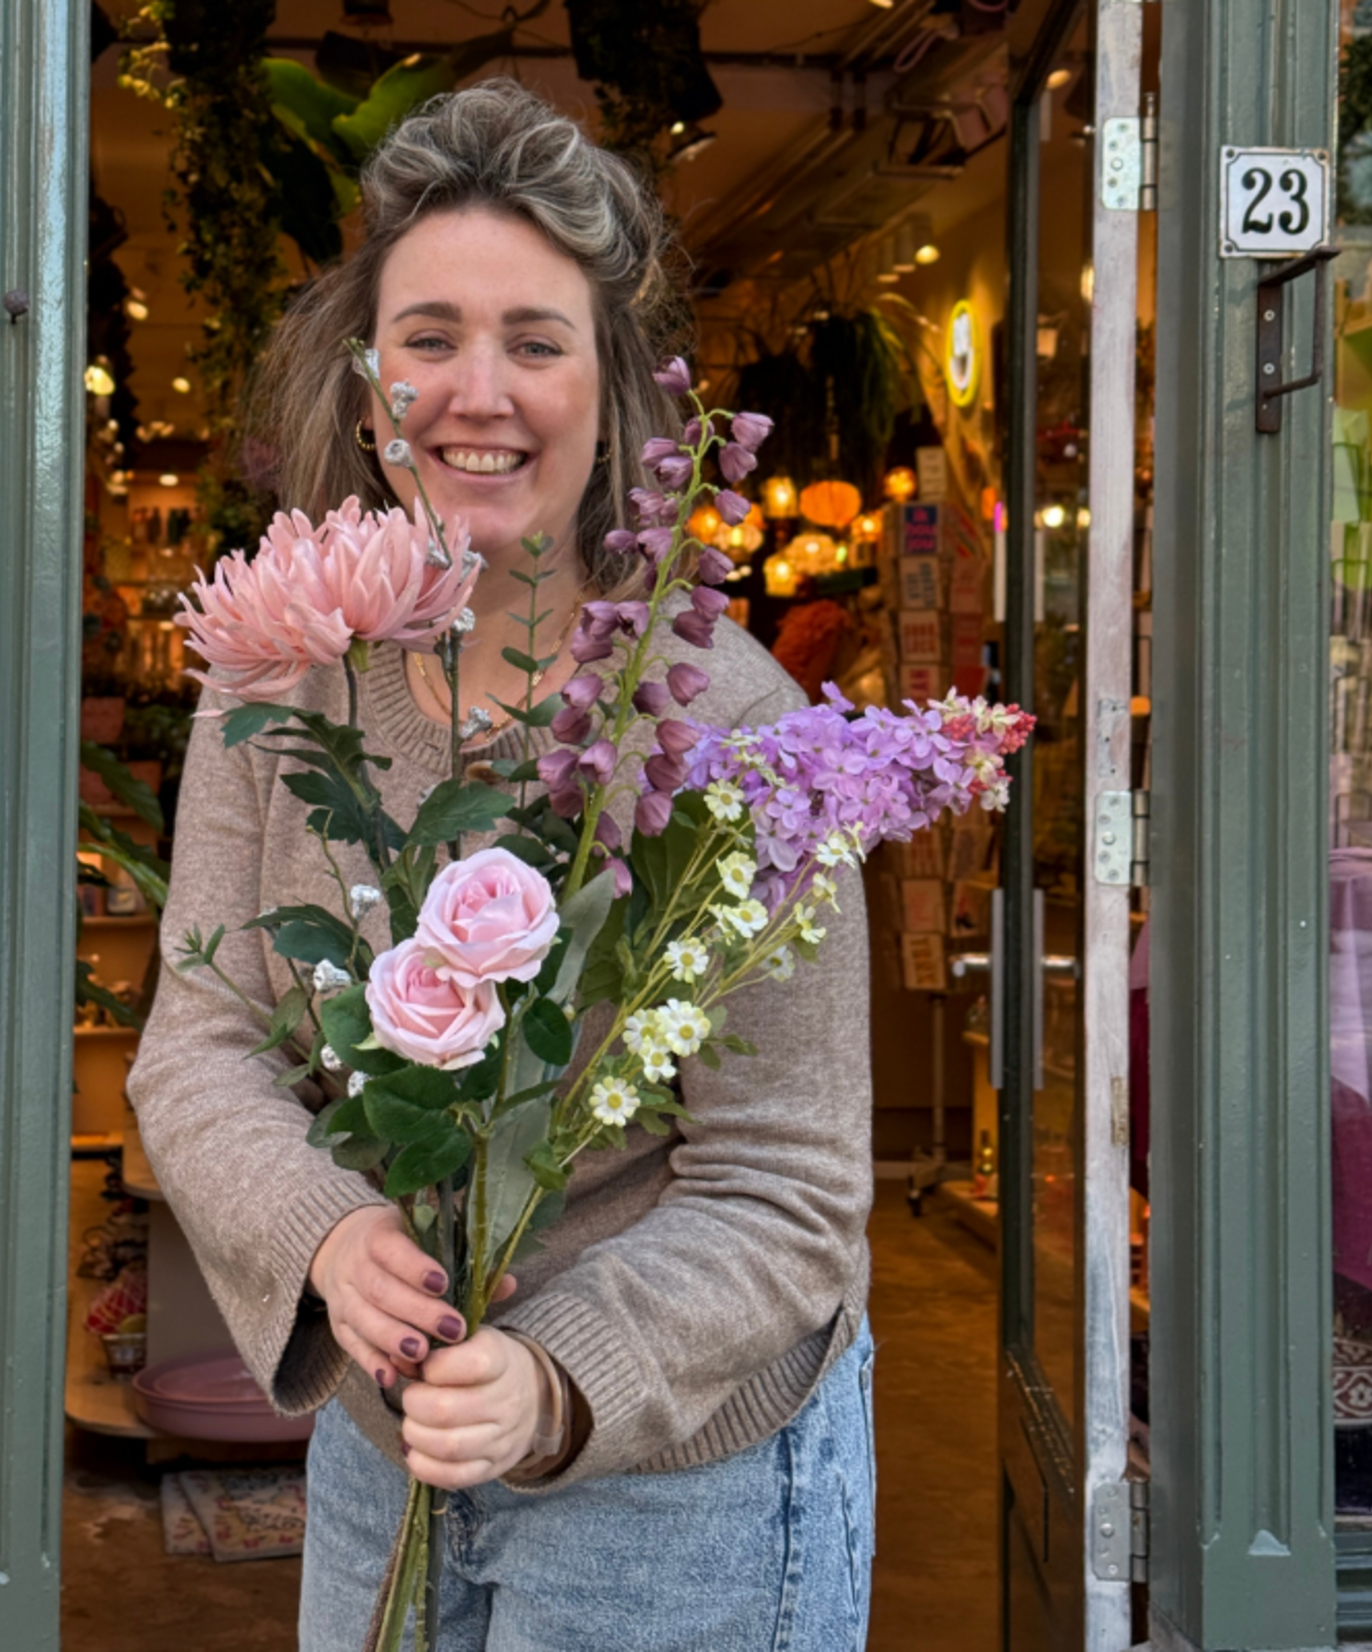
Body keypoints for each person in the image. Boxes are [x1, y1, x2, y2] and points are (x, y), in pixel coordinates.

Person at [130, 80, 877, 1651]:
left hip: (677, 1477)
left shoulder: (729, 724)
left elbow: (789, 1183)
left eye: (537, 343)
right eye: (429, 339)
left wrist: (556, 1375)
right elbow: (198, 1052)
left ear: (616, 393)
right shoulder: (284, 675)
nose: (480, 393)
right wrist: (327, 1232)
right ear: (363, 375)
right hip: (380, 1440)